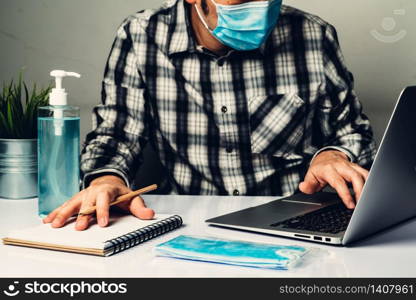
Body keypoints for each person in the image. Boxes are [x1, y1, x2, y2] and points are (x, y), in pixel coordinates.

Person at [43, 0, 377, 230]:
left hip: (293, 217)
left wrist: (332, 155)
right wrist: (106, 179)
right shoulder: (140, 36)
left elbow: (351, 131)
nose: (260, 8)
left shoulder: (313, 35)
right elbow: (116, 133)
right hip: (186, 221)